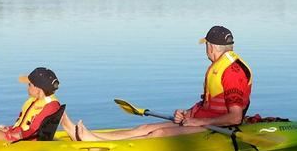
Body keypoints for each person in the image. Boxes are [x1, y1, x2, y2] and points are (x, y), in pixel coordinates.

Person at [68, 25, 251, 141]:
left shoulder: (232, 72)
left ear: (211, 47)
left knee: (158, 135)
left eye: (206, 45)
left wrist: (197, 121)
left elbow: (235, 117)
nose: (206, 49)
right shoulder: (220, 66)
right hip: (202, 121)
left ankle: (97, 146)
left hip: (219, 128)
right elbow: (210, 103)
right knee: (145, 128)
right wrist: (188, 113)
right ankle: (93, 138)